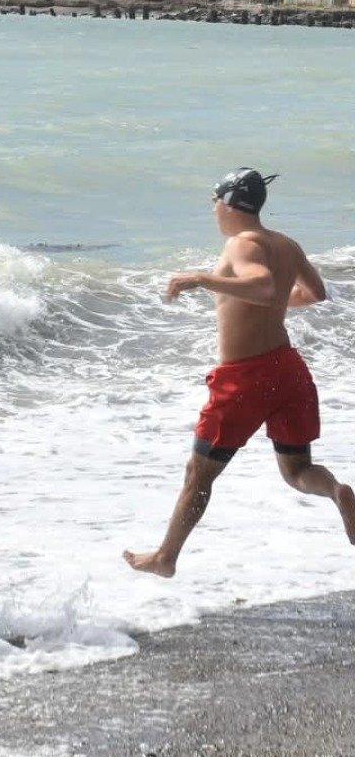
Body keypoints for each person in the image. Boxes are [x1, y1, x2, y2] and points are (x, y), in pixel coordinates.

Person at [124, 169, 355, 578]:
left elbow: (262, 285)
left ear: (229, 203)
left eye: (214, 202)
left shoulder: (242, 243)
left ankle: (165, 557)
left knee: (199, 474)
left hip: (246, 379)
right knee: (297, 470)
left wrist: (201, 279)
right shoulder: (287, 244)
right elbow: (315, 293)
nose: (213, 210)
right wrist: (276, 303)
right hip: (288, 371)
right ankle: (336, 491)